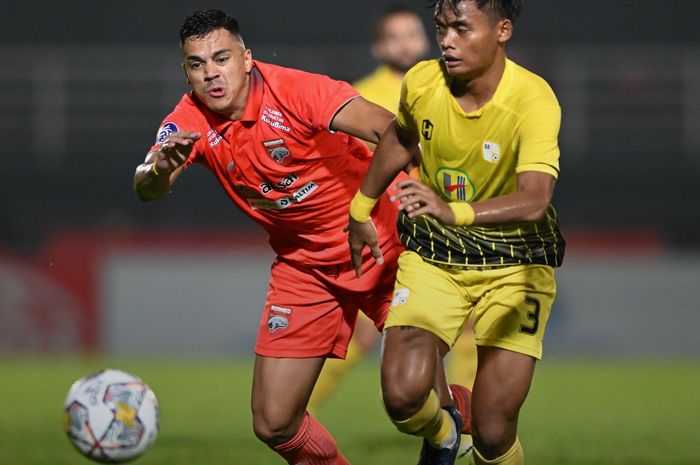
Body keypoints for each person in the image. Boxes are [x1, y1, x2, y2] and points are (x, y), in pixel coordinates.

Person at [132, 9, 403, 465]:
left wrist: (378, 202)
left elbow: (392, 130)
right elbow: (146, 187)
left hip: (380, 243)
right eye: (197, 65)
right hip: (304, 266)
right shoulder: (188, 119)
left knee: (407, 399)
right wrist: (160, 167)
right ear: (187, 73)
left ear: (247, 58)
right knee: (274, 421)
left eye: (221, 58)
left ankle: (464, 426)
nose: (211, 74)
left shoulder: (298, 90)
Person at [347, 1, 565, 465]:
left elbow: (536, 198)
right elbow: (401, 137)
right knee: (403, 396)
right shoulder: (423, 81)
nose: (447, 39)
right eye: (442, 28)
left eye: (461, 28)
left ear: (502, 30)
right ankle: (446, 432)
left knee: (493, 429)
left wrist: (454, 211)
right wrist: (361, 206)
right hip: (435, 257)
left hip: (516, 265)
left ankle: (473, 432)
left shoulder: (533, 98)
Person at [309, 8, 477, 456]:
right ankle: (300, 413)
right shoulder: (362, 97)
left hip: (447, 225)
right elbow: (355, 171)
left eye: (412, 33)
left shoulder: (448, 85)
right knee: (363, 335)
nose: (405, 42)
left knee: (467, 330)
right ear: (379, 48)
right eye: (394, 37)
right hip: (390, 234)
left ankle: (464, 422)